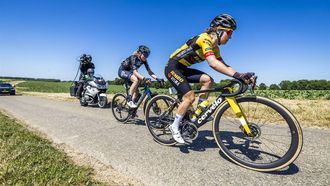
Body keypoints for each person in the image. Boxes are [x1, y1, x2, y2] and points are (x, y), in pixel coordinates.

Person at [164, 14, 256, 144]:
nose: (231, 36)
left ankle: (199, 111)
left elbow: (224, 65)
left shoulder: (215, 48)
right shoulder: (204, 38)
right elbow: (212, 63)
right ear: (219, 30)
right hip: (172, 67)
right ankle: (174, 126)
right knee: (189, 97)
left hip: (183, 69)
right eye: (229, 32)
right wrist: (237, 76)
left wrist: (241, 74)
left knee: (208, 80)